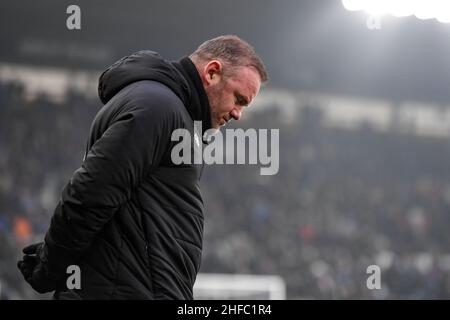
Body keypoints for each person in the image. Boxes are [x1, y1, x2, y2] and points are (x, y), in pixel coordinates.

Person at [17, 35, 268, 299]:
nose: (238, 114)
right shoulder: (158, 107)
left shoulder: (178, 117)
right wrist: (50, 266)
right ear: (212, 72)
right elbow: (91, 193)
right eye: (239, 99)